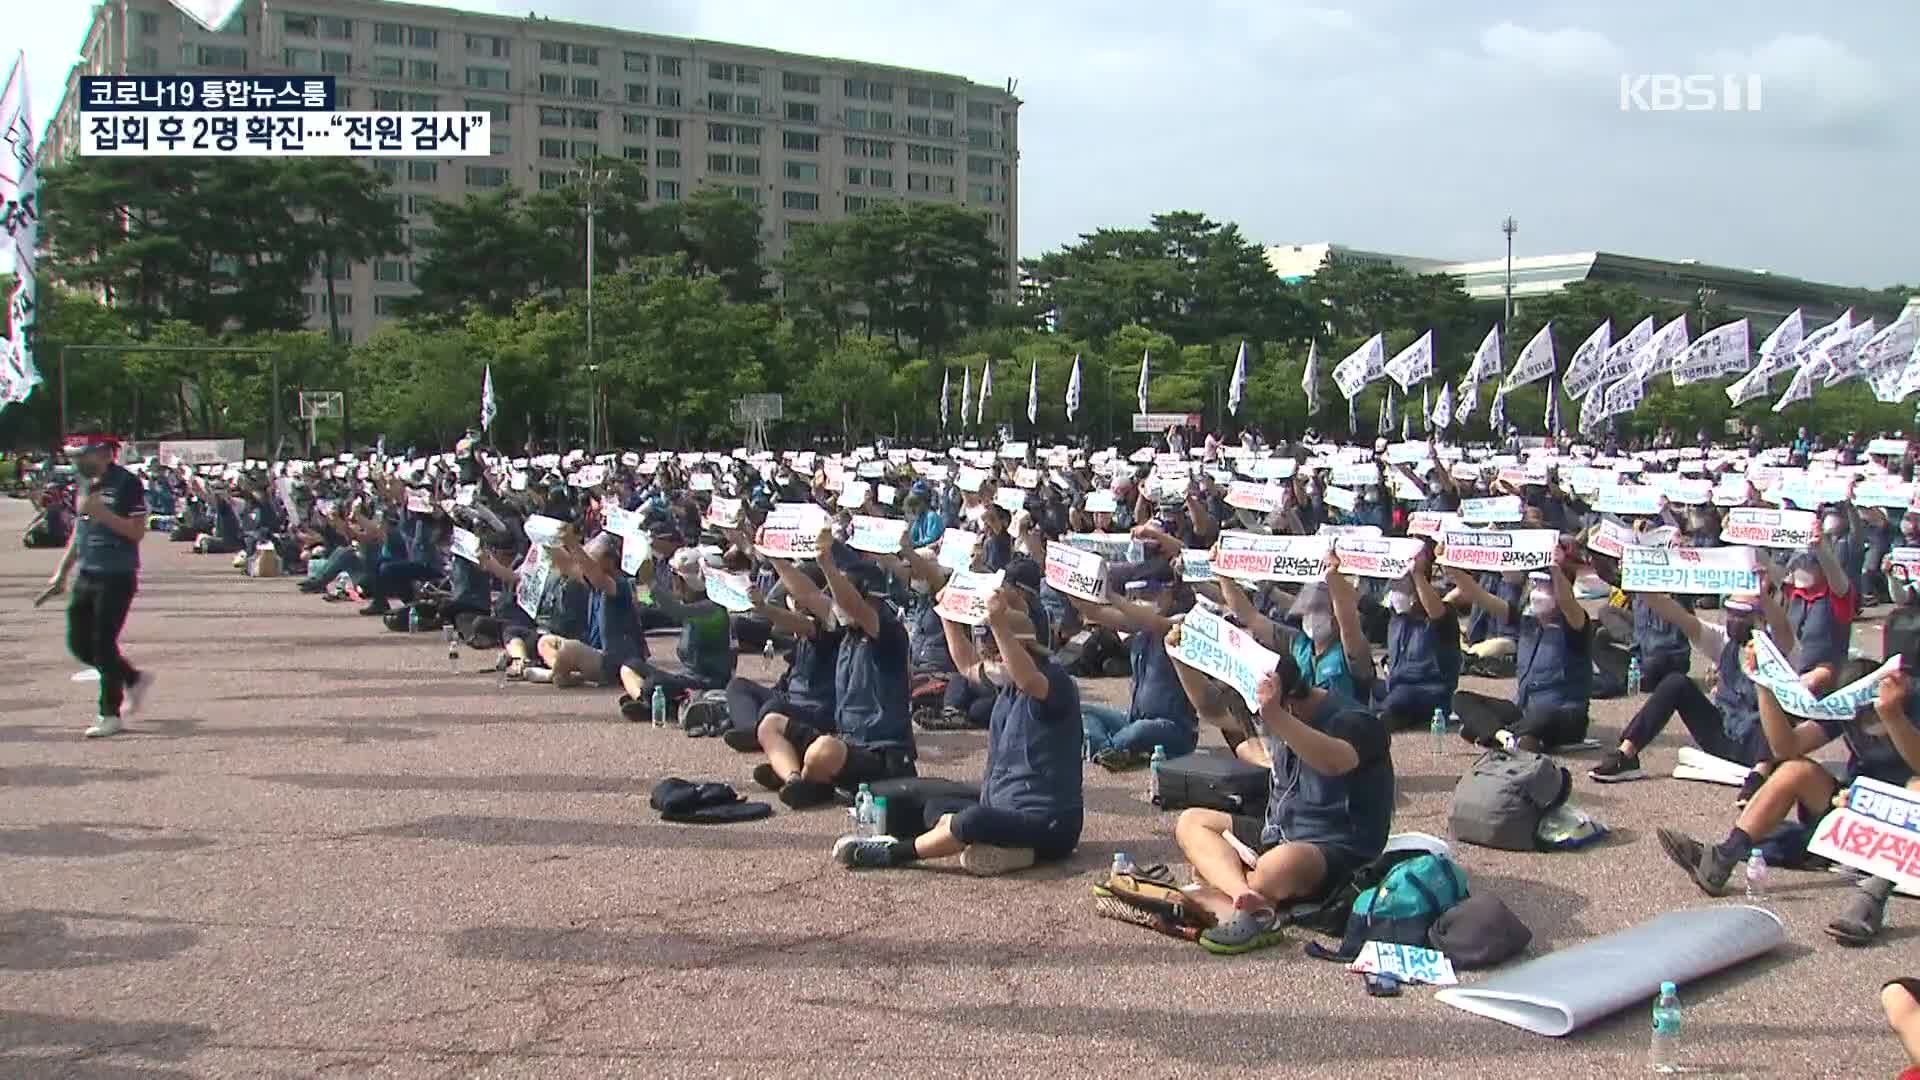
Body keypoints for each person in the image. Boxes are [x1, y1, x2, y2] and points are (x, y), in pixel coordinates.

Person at [1656, 657, 1920, 946]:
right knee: (1795, 769)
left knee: (1917, 786)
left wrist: (1893, 716)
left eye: (1866, 716)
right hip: (1855, 808)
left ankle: (1870, 900)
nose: (1859, 724)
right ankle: (1720, 859)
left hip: (1905, 827)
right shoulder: (1848, 711)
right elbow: (1786, 746)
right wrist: (1764, 689)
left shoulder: (1909, 705)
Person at [832, 586, 1082, 875]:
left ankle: (894, 854)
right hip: (1002, 803)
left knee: (970, 820)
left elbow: (1028, 679)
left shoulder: (1055, 682)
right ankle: (1010, 850)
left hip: (1051, 822)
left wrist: (998, 624)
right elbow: (966, 664)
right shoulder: (1008, 684)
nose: (989, 654)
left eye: (995, 648)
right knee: (932, 804)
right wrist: (948, 615)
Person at [1171, 649, 1393, 955]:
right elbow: (1212, 708)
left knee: (1280, 865)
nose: (1261, 726)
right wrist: (1180, 655)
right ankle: (1246, 897)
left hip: (1337, 846)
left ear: (1287, 701)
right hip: (1278, 831)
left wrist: (1275, 715)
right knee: (1192, 821)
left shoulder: (1355, 721)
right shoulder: (1274, 713)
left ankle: (1219, 882)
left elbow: (1335, 761)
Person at [753, 528, 916, 808]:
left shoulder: (889, 632)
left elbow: (852, 604)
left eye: (842, 598)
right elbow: (809, 595)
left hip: (884, 754)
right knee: (771, 723)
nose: (836, 605)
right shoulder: (844, 631)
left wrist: (826, 563)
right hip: (845, 739)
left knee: (821, 752)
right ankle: (795, 780)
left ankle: (810, 780)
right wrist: (776, 559)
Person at [1589, 589, 1789, 782]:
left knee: (1776, 715)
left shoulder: (1778, 649)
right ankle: (1626, 754)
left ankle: (1760, 777)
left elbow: (1783, 631)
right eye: (1730, 611)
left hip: (1757, 745)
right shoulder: (1723, 640)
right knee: (1676, 683)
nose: (1734, 619)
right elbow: (1677, 615)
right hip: (1723, 735)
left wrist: (1763, 595)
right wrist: (1643, 587)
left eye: (1742, 614)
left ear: (1761, 617)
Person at [43, 436, 153, 738]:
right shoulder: (83, 483)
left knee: (104, 642)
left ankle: (109, 713)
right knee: (79, 643)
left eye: (84, 455)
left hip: (117, 573)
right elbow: (79, 532)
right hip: (88, 573)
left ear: (105, 453)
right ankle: (130, 677)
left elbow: (136, 532)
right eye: (75, 456)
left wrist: (103, 514)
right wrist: (61, 573)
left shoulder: (127, 484)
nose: (79, 462)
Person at [1445, 559, 1593, 750]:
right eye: (1535, 585)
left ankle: (1491, 732)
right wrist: (1451, 567)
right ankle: (1504, 736)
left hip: (1565, 715)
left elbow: (1567, 601)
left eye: (1544, 586)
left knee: (1543, 717)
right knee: (1460, 699)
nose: (1537, 593)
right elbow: (1480, 596)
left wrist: (1555, 566)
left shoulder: (1575, 626)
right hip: (1525, 711)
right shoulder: (1527, 622)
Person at [1071, 567, 1201, 769]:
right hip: (1135, 719)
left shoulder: (1183, 623)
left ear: (1168, 592)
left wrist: (1112, 596)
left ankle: (1109, 747)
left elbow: (1156, 623)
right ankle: (1113, 747)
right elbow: (1093, 611)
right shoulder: (1140, 626)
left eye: (1148, 594)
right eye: (1138, 595)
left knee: (1140, 731)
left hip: (1174, 729)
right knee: (1084, 711)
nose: (1141, 600)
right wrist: (1070, 586)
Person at [723, 559, 842, 752]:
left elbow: (805, 625)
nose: (790, 601)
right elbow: (790, 676)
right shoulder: (801, 634)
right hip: (789, 700)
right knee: (738, 686)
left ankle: (758, 731)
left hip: (816, 711)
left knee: (773, 707)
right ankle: (752, 730)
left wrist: (764, 608)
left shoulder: (830, 627)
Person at [618, 547, 735, 726]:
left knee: (654, 684)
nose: (673, 583)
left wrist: (651, 582)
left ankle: (658, 703)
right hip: (686, 678)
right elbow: (670, 610)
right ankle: (650, 703)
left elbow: (677, 611)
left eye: (676, 579)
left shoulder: (713, 609)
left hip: (708, 683)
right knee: (629, 666)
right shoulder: (694, 606)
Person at [1373, 549, 1461, 730]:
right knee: (1366, 687)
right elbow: (1358, 601)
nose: (1396, 591)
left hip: (1430, 692)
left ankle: (1385, 720)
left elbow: (1436, 613)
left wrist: (1417, 575)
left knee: (1397, 700)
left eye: (1402, 584)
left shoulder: (1444, 616)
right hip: (1397, 686)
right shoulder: (1397, 617)